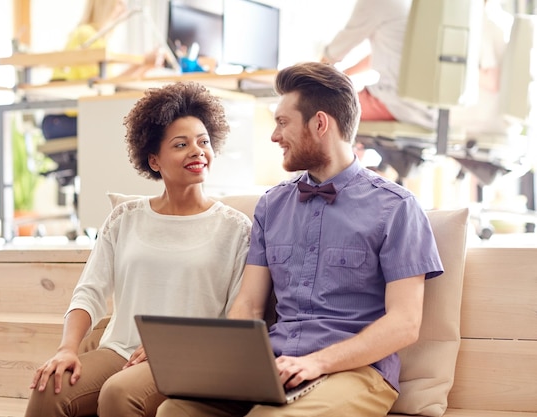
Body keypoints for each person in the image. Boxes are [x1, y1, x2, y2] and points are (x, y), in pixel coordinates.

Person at [156, 62, 444, 417]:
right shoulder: (272, 205)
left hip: (356, 372)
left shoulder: (396, 207)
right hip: (276, 366)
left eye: (282, 122)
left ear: (319, 123)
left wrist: (317, 363)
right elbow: (249, 306)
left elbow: (405, 323)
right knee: (175, 411)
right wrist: (223, 368)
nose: (274, 136)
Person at [24, 81, 252, 417]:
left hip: (186, 356)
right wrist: (67, 348)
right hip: (119, 348)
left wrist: (172, 347)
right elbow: (89, 293)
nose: (197, 151)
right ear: (154, 160)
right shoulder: (124, 218)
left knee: (120, 393)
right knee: (50, 390)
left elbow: (236, 319)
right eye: (181, 144)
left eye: (204, 142)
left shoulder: (236, 229)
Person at [320, 0, 437, 130]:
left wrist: (311, 78)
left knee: (320, 106)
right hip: (428, 111)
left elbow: (337, 50)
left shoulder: (376, 2)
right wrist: (346, 73)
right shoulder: (410, 5)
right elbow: (385, 54)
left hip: (397, 104)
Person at [450, 0, 514, 139]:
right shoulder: (506, 20)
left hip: (475, 125)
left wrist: (450, 65)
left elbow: (491, 80)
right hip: (496, 125)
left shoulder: (479, 19)